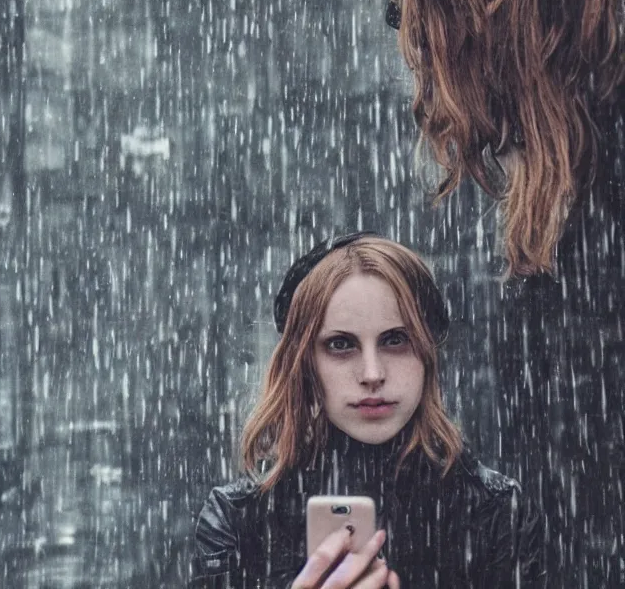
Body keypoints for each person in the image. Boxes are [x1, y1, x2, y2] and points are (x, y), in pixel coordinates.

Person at [387, 0, 625, 584]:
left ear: (501, 16)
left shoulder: (602, 188)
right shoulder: (575, 188)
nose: (429, 78)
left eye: (438, 32)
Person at [191, 233, 544, 588]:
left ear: (427, 351)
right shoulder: (238, 519)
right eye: (341, 344)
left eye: (395, 339)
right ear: (305, 363)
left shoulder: (495, 511)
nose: (373, 374)